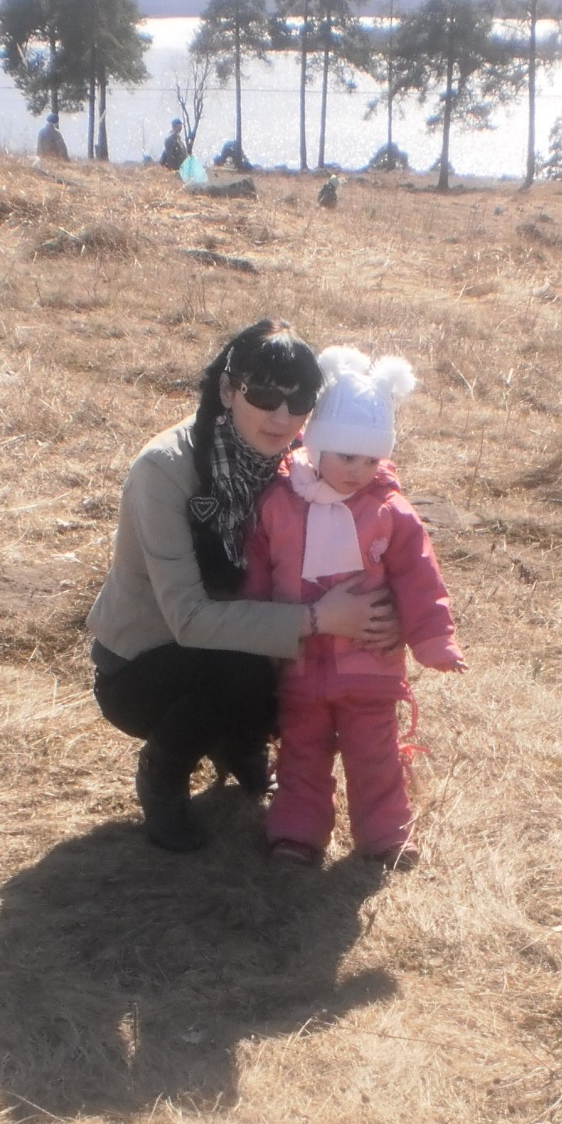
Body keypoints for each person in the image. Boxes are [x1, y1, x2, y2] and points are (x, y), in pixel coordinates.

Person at [87, 319, 398, 852]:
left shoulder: (307, 461)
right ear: (229, 390)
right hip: (146, 667)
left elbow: (376, 527)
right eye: (264, 395)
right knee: (245, 668)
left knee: (311, 674)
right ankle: (163, 773)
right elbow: (188, 618)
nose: (282, 416)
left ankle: (239, 742)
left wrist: (383, 614)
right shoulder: (165, 469)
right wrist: (320, 618)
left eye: (299, 400)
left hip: (246, 641)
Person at [244, 347, 464, 868]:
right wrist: (255, 630)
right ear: (317, 445)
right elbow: (257, 570)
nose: (359, 470)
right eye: (347, 456)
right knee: (301, 751)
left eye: (371, 459)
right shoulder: (279, 503)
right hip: (300, 665)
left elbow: (418, 576)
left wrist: (433, 638)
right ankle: (297, 830)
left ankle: (386, 834)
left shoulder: (390, 511)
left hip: (369, 665)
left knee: (375, 754)